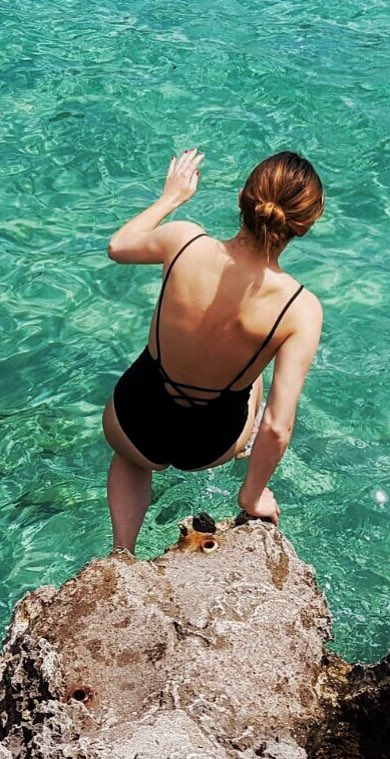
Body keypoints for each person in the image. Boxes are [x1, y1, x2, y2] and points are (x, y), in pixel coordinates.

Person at [102, 148, 324, 555]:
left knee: (133, 460)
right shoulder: (301, 309)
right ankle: (243, 463)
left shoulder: (183, 239)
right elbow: (277, 426)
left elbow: (118, 246)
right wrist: (252, 497)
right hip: (211, 445)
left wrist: (172, 197)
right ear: (306, 224)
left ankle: (121, 554)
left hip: (134, 422)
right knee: (254, 373)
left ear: (243, 196)